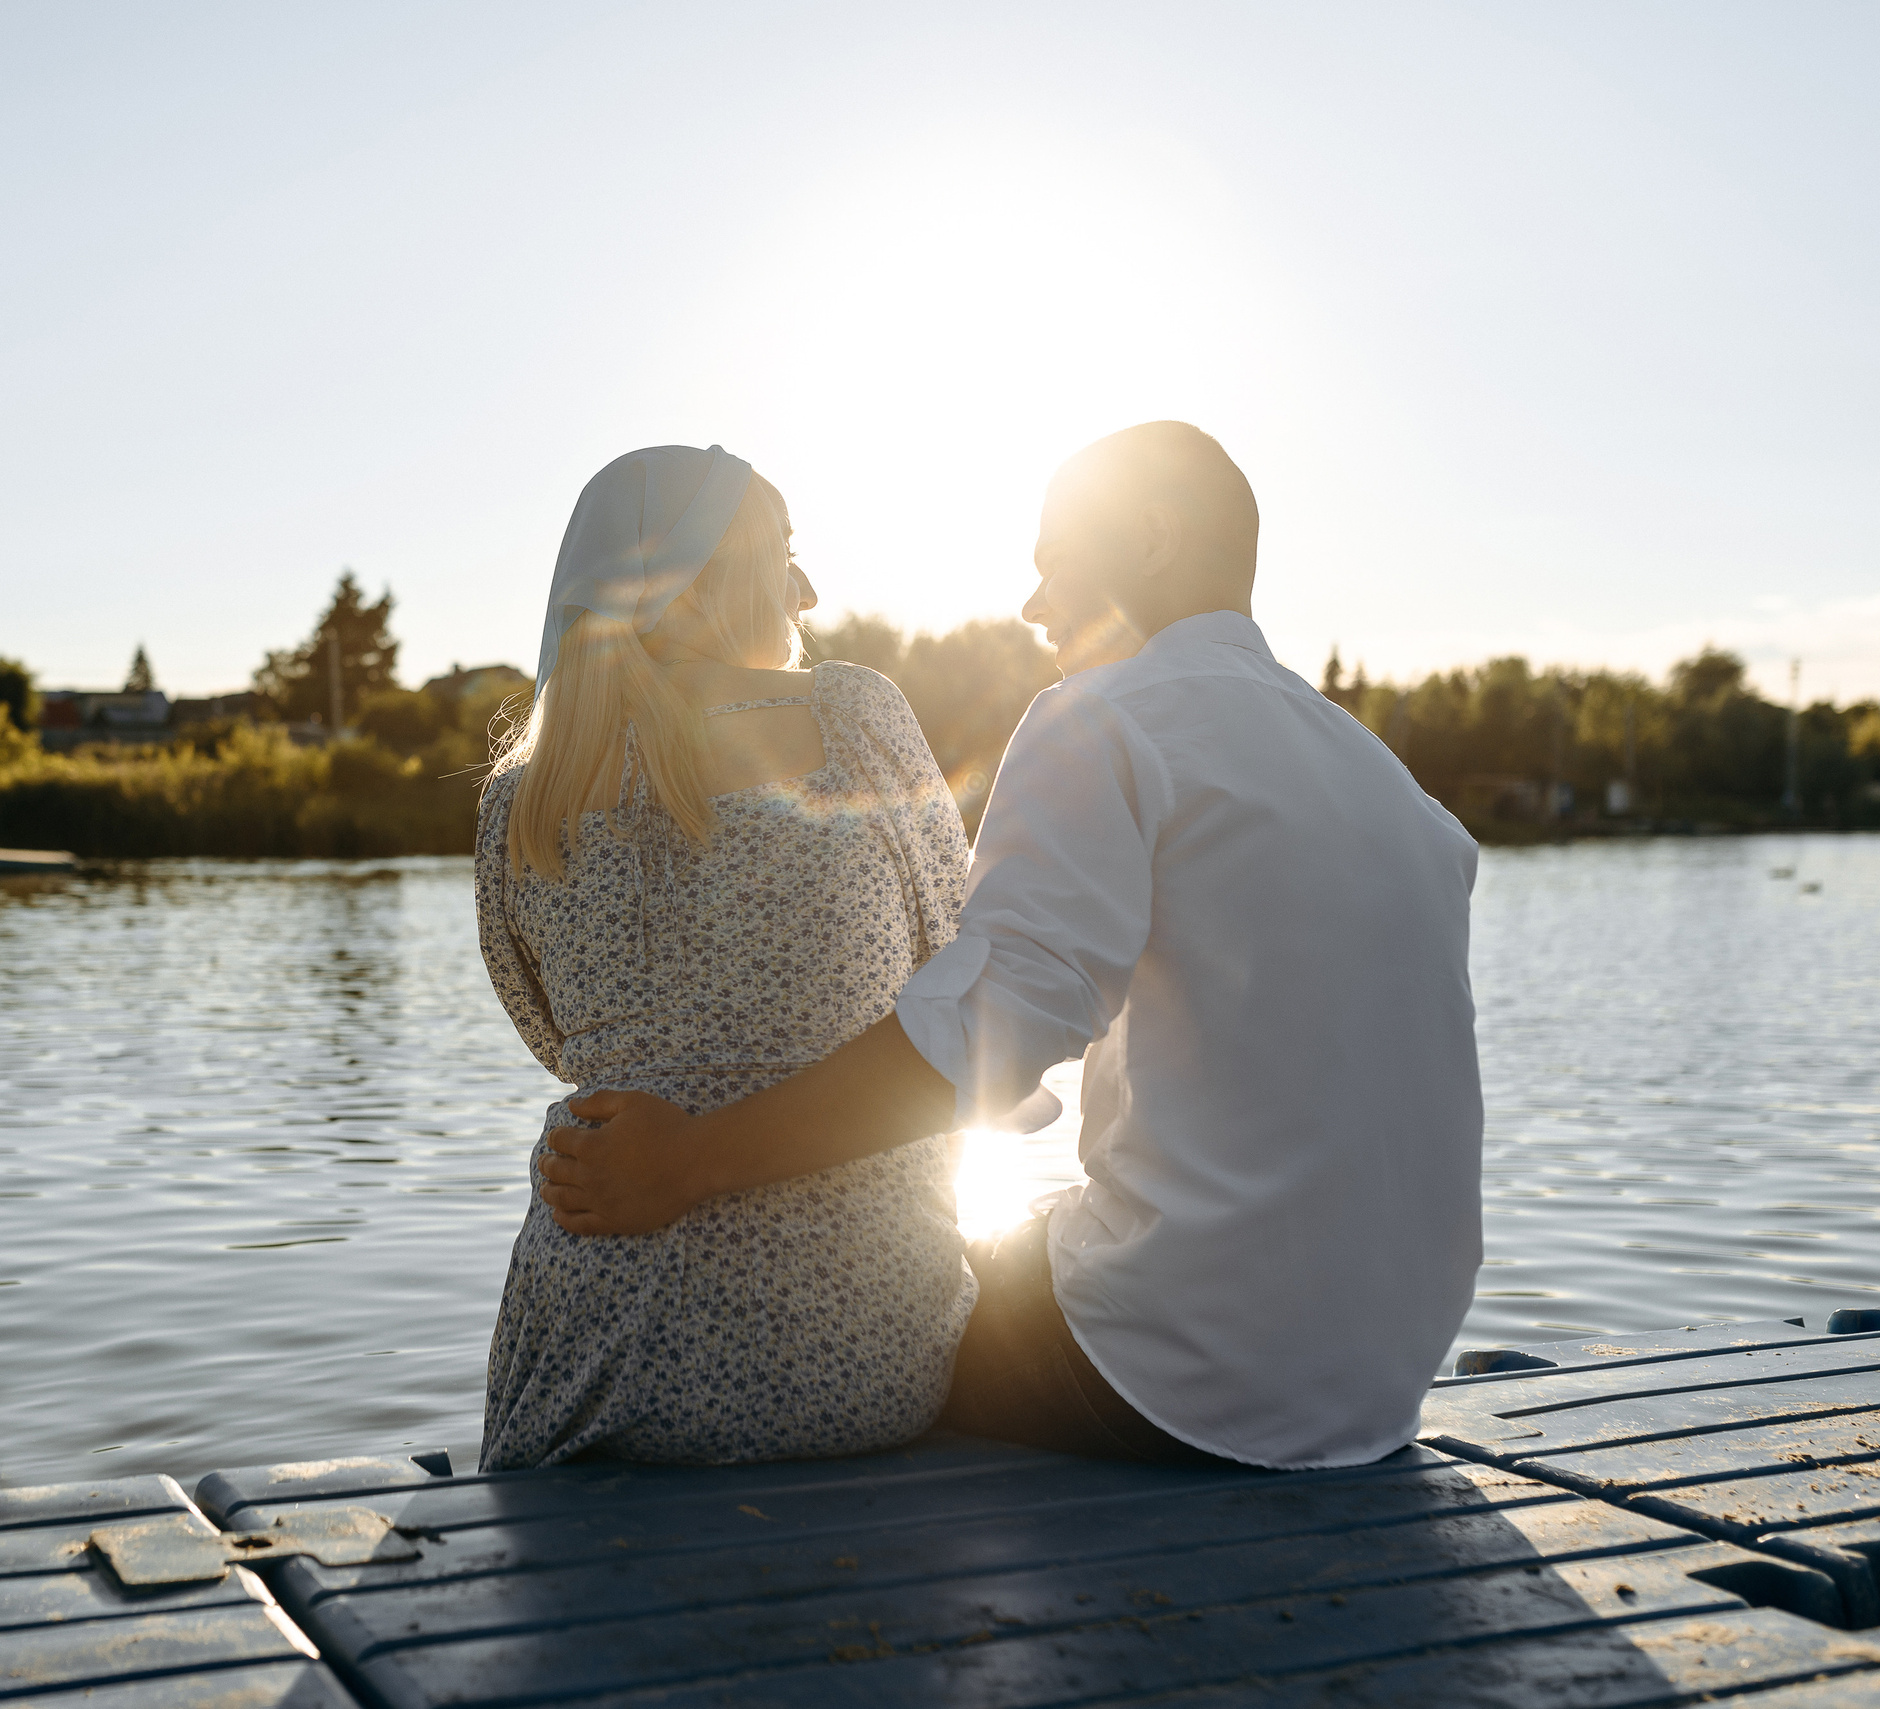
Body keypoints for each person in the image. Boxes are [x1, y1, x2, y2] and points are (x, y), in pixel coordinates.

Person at [541, 422, 1484, 1471]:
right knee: (1017, 1234)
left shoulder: (1106, 717)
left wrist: (690, 1160)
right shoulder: (1391, 785)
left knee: (900, 1323)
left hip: (1191, 1377)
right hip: (1383, 1378)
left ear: (1154, 540)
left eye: (1053, 564)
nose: (1032, 606)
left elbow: (998, 1018)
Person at [473, 443, 976, 1472]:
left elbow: (556, 1037)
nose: (807, 588)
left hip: (585, 1354)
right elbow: (956, 974)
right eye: (780, 554)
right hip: (850, 1357)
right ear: (698, 580)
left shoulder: (517, 801)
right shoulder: (853, 718)